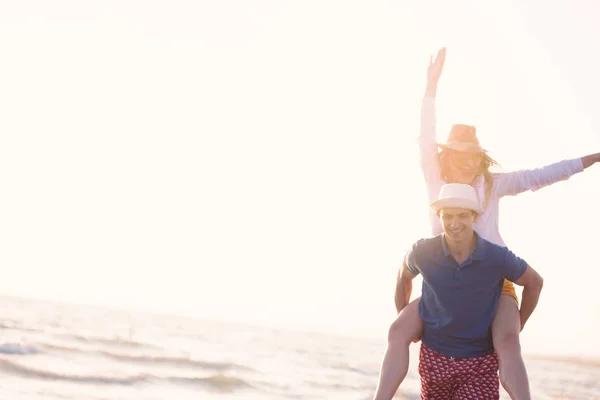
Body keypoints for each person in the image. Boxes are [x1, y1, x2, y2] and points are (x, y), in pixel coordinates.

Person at [373, 47, 600, 400]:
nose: (466, 162)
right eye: (458, 155)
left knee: (508, 342)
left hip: (495, 280)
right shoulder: (435, 178)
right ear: (447, 155)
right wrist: (431, 87)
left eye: (472, 156)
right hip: (445, 282)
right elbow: (425, 134)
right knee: (398, 330)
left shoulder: (492, 184)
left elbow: (542, 175)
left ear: (480, 158)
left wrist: (592, 158)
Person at [400, 183, 544, 399]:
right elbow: (403, 277)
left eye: (462, 216)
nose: (454, 223)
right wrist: (407, 319)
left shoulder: (497, 256)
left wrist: (520, 321)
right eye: (448, 216)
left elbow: (534, 281)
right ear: (439, 217)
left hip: (479, 363)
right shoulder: (423, 251)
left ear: (474, 217)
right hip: (434, 359)